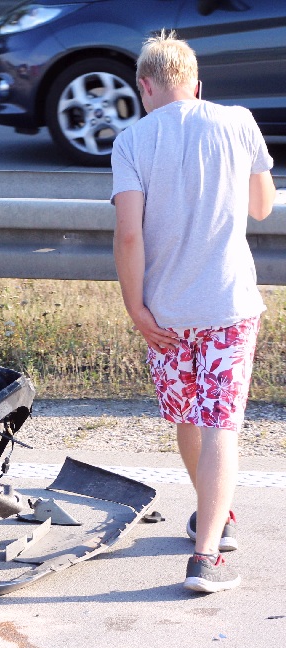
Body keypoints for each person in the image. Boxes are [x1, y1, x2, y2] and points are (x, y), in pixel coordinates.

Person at [111, 30, 276, 593]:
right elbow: (261, 207)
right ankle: (207, 554)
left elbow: (128, 236)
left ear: (145, 86)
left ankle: (215, 512)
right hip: (229, 304)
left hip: (165, 312)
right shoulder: (239, 121)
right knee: (220, 424)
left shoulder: (132, 141)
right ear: (198, 84)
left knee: (186, 418)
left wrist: (135, 307)